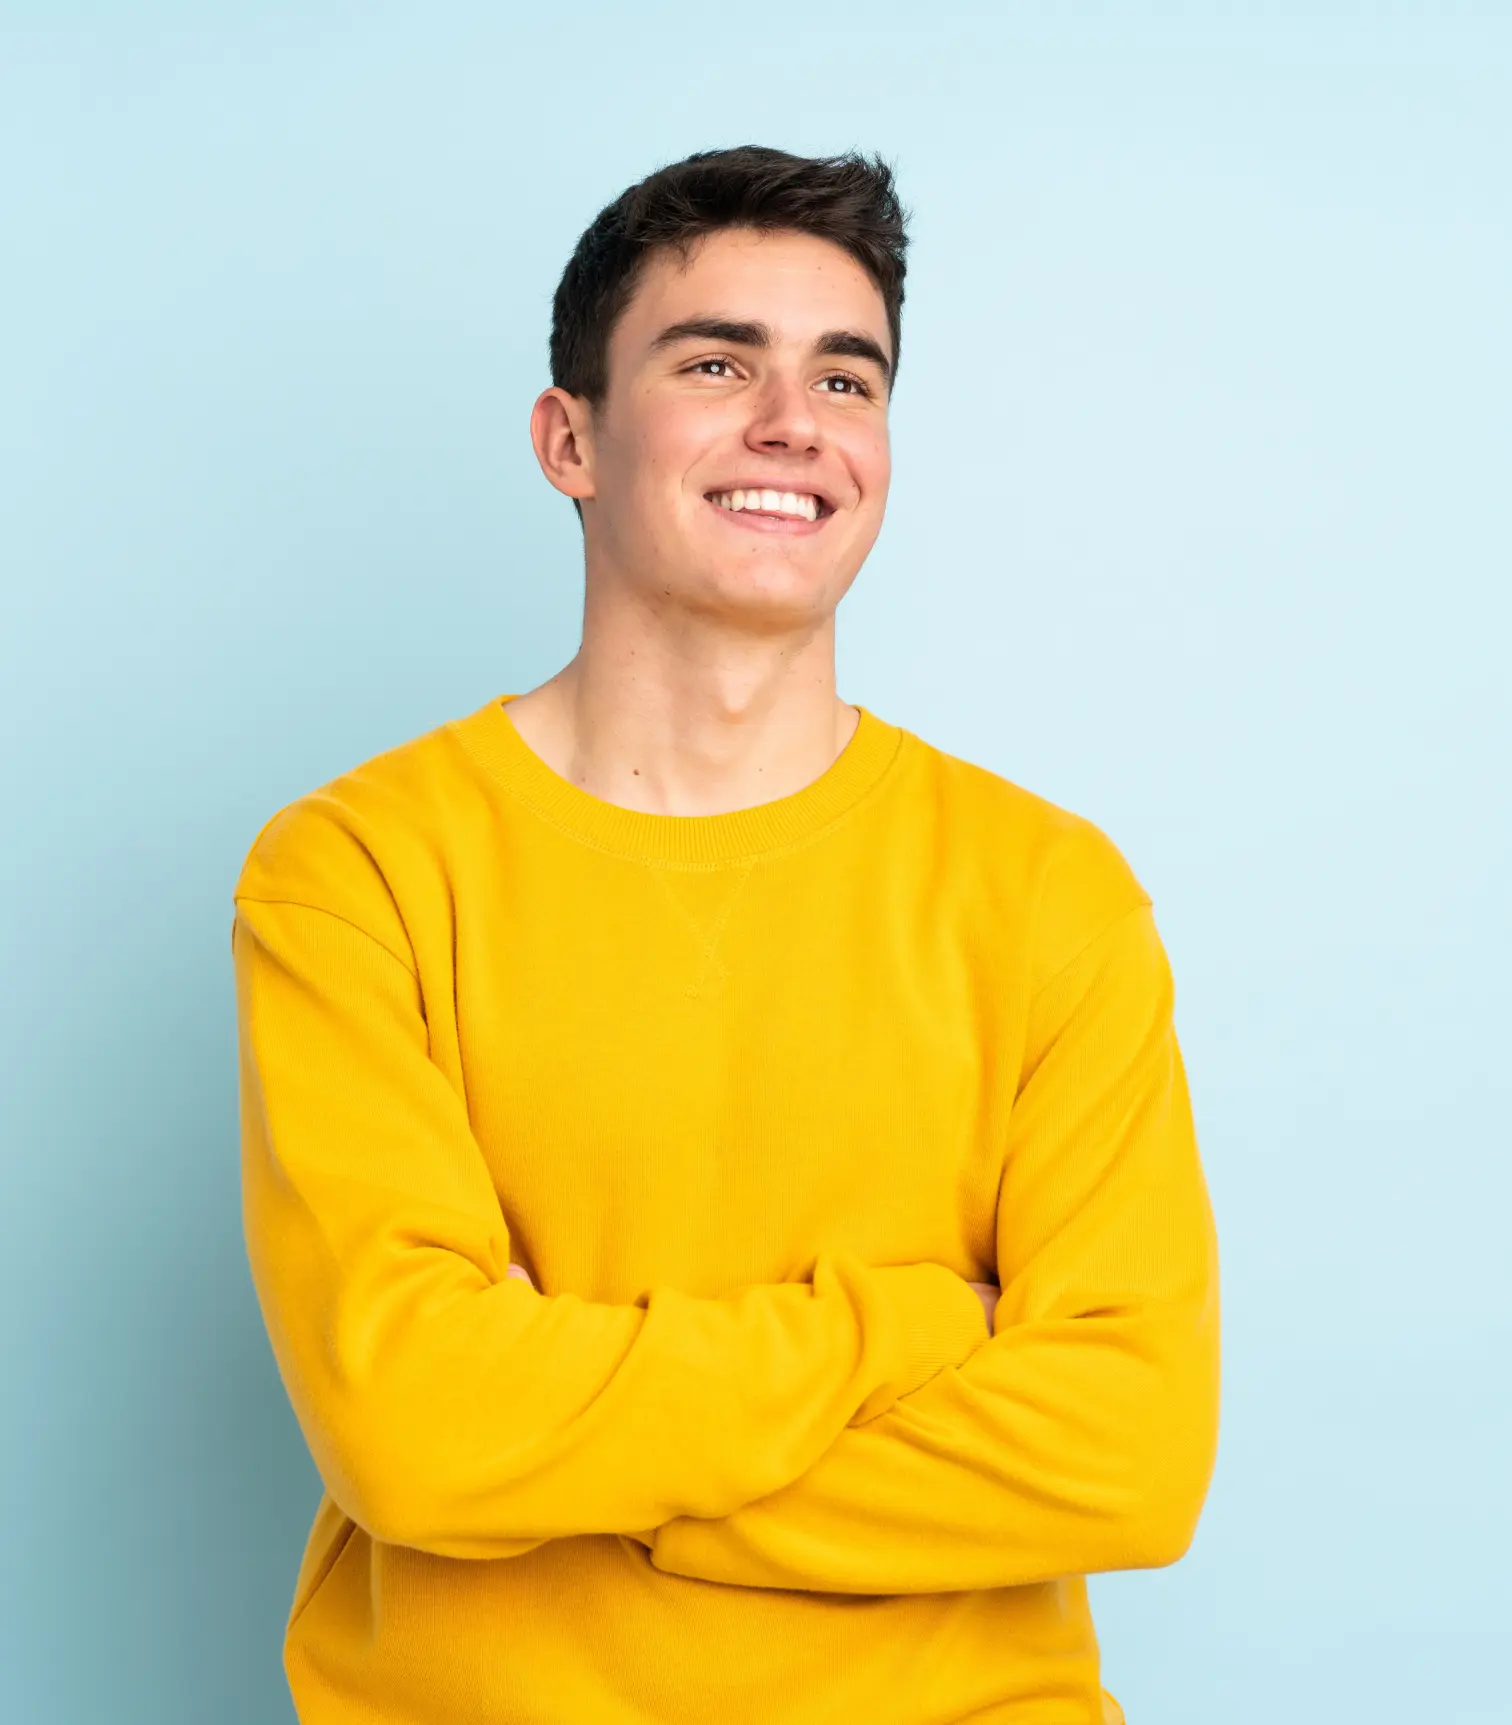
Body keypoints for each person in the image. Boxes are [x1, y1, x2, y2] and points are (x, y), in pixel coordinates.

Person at [233, 144, 1220, 1725]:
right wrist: (907, 1326)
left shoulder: (1049, 894)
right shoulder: (357, 872)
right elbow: (414, 1427)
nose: (796, 425)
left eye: (849, 379)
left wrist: (564, 1465)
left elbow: (1131, 1450)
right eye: (715, 363)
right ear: (571, 438)